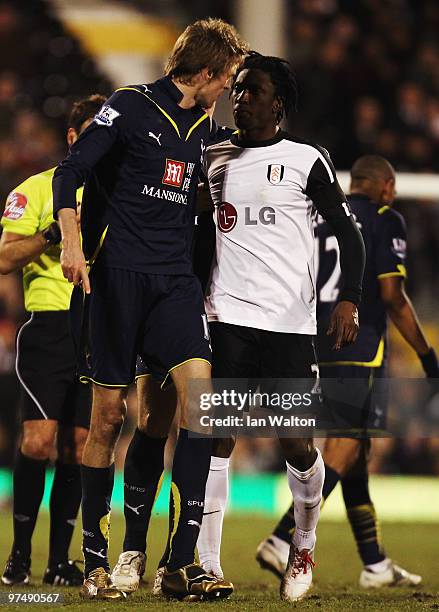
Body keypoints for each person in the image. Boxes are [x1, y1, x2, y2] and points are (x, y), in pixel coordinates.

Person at [52, 18, 248, 601]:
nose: (230, 91)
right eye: (228, 78)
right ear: (208, 72)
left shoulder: (206, 128)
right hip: (117, 281)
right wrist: (70, 243)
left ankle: (178, 565)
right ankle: (93, 564)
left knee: (202, 405)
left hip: (175, 286)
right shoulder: (130, 106)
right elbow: (71, 172)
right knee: (109, 418)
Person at [193, 52, 365, 603]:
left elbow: (348, 233)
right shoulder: (212, 154)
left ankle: (305, 540)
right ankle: (207, 562)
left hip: (290, 324)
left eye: (253, 90)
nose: (240, 97)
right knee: (217, 438)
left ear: (279, 104)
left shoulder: (304, 159)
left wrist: (348, 302)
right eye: (237, 88)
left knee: (295, 444)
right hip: (226, 318)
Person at [256, 154, 439, 588]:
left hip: (314, 340)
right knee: (345, 445)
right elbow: (392, 296)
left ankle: (374, 564)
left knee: (356, 454)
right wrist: (427, 355)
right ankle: (283, 538)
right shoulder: (384, 218)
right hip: (359, 343)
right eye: (391, 187)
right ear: (384, 186)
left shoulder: (319, 217)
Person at [0, 95, 104, 587]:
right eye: (90, 133)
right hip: (48, 327)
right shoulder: (36, 189)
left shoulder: (119, 190)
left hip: (98, 330)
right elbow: (4, 258)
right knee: (38, 441)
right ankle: (19, 555)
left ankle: (59, 561)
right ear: (72, 137)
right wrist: (53, 234)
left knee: (79, 446)